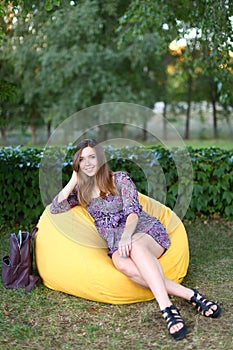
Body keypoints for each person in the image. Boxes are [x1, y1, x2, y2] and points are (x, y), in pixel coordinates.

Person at [50, 138, 221, 341]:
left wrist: (126, 237)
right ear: (77, 164)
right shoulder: (81, 192)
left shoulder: (120, 179)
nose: (87, 163)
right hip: (117, 243)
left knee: (137, 248)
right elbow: (55, 208)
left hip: (144, 231)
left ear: (101, 159)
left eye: (92, 157)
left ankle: (167, 309)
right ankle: (192, 296)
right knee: (121, 264)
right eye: (81, 159)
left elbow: (133, 213)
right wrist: (73, 181)